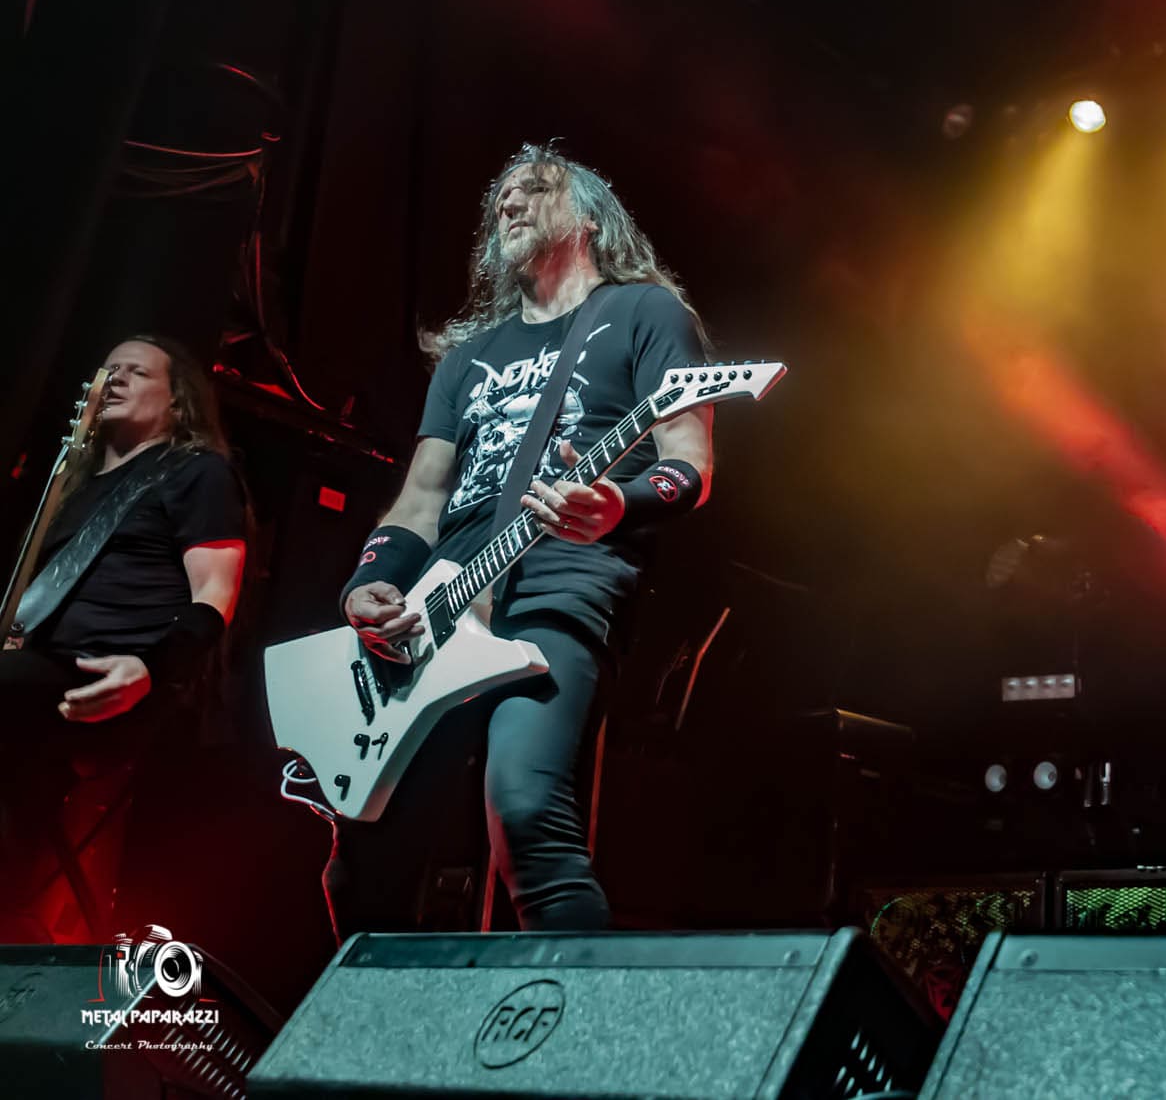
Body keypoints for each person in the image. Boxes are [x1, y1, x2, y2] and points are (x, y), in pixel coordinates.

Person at [326, 142, 712, 934]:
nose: (508, 201)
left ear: (590, 219)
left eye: (534, 188)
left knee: (528, 809)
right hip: (440, 598)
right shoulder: (468, 358)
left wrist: (618, 501)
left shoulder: (644, 313)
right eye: (501, 194)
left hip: (562, 569)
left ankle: (572, 1009)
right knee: (363, 855)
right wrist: (368, 580)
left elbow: (689, 466)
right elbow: (420, 500)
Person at [0, 335, 245, 940]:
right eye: (107, 370)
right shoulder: (70, 487)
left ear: (178, 400)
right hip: (34, 672)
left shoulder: (196, 472)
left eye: (135, 372)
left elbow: (215, 594)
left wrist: (152, 669)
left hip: (108, 678)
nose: (114, 379)